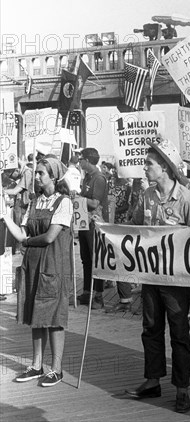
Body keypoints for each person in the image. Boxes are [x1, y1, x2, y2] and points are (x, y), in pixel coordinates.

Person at [125, 138, 190, 414]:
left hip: (176, 279)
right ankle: (153, 380)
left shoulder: (187, 198)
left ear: (166, 169)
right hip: (150, 275)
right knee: (150, 328)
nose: (145, 168)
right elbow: (134, 227)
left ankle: (182, 389)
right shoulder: (146, 195)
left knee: (179, 333)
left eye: (149, 164)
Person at [0, 157, 73, 386]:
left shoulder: (64, 202)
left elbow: (51, 236)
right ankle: (36, 365)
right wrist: (4, 216)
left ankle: (57, 368)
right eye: (38, 173)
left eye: (41, 173)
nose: (37, 177)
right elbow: (20, 235)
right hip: (33, 264)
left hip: (53, 264)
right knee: (35, 313)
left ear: (54, 176)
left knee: (53, 315)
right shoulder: (35, 202)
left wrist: (29, 241)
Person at [77, 148, 108, 310]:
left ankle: (98, 295)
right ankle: (87, 291)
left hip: (94, 223)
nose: (79, 162)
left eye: (81, 159)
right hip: (84, 222)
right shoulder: (88, 178)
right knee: (86, 259)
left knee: (96, 259)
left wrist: (77, 198)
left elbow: (95, 203)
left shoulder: (99, 178)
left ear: (88, 160)